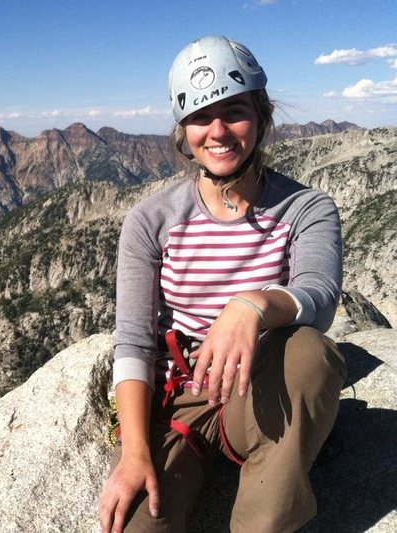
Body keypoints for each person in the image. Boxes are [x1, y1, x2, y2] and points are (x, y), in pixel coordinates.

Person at [99, 35, 346, 533]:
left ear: (260, 114)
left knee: (309, 350)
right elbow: (134, 341)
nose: (217, 131)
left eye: (233, 111)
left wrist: (252, 305)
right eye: (198, 118)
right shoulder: (152, 220)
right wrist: (134, 452)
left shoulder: (306, 208)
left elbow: (318, 296)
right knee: (138, 523)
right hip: (182, 396)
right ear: (182, 129)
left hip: (263, 385)